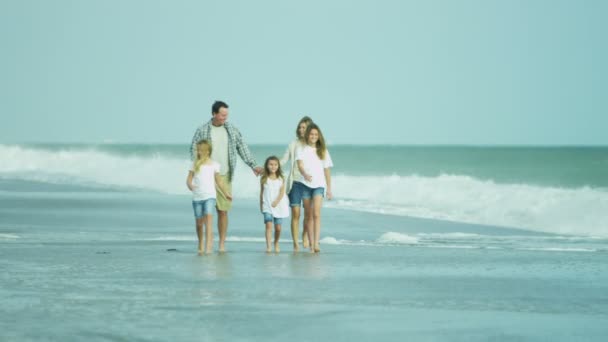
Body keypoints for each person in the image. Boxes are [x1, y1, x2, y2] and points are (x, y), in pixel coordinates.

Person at [190, 101, 263, 252]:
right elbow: (193, 149)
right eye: (222, 115)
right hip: (206, 176)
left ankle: (221, 244)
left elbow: (242, 148)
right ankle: (202, 244)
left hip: (224, 174)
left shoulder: (232, 129)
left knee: (223, 211)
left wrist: (253, 165)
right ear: (214, 114)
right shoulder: (202, 130)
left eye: (226, 115)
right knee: (204, 214)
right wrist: (197, 169)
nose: (225, 118)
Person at [186, 140, 232, 254]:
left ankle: (208, 247)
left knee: (209, 219)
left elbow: (219, 181)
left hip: (210, 197)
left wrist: (226, 193)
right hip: (197, 197)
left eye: (201, 150)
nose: (199, 152)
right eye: (198, 150)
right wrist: (190, 186)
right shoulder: (194, 164)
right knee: (199, 223)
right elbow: (189, 179)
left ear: (207, 151)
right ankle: (200, 243)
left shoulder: (215, 165)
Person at [294, 123, 333, 253]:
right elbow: (299, 165)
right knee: (308, 215)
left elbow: (327, 170)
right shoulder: (301, 148)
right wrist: (304, 174)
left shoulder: (323, 150)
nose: (314, 136)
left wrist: (329, 188)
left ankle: (316, 243)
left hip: (319, 185)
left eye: (316, 134)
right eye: (311, 134)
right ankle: (311, 244)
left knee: (316, 213)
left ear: (319, 136)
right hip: (305, 185)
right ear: (307, 135)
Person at [280, 116, 314, 251]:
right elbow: (283, 160)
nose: (301, 130)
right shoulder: (293, 144)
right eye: (300, 127)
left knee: (308, 214)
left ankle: (304, 235)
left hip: (308, 183)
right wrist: (271, 165)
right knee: (295, 213)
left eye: (304, 127)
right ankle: (295, 243)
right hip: (294, 182)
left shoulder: (313, 145)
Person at [259, 156, 289, 253]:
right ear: (267, 166)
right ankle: (268, 246)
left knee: (278, 228)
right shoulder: (264, 178)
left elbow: (282, 192)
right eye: (271, 164)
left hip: (278, 206)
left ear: (278, 166)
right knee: (268, 225)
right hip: (267, 205)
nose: (273, 167)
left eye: (275, 164)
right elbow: (262, 192)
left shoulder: (281, 178)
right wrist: (261, 205)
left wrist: (276, 201)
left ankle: (276, 242)